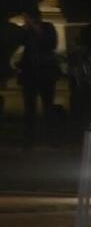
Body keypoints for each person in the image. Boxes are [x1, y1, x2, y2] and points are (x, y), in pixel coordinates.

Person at [17, 10, 60, 146]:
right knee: (29, 107)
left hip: (45, 73)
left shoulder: (47, 27)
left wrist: (33, 27)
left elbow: (50, 43)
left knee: (48, 106)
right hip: (30, 73)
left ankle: (51, 137)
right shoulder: (26, 31)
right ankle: (29, 139)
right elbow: (19, 43)